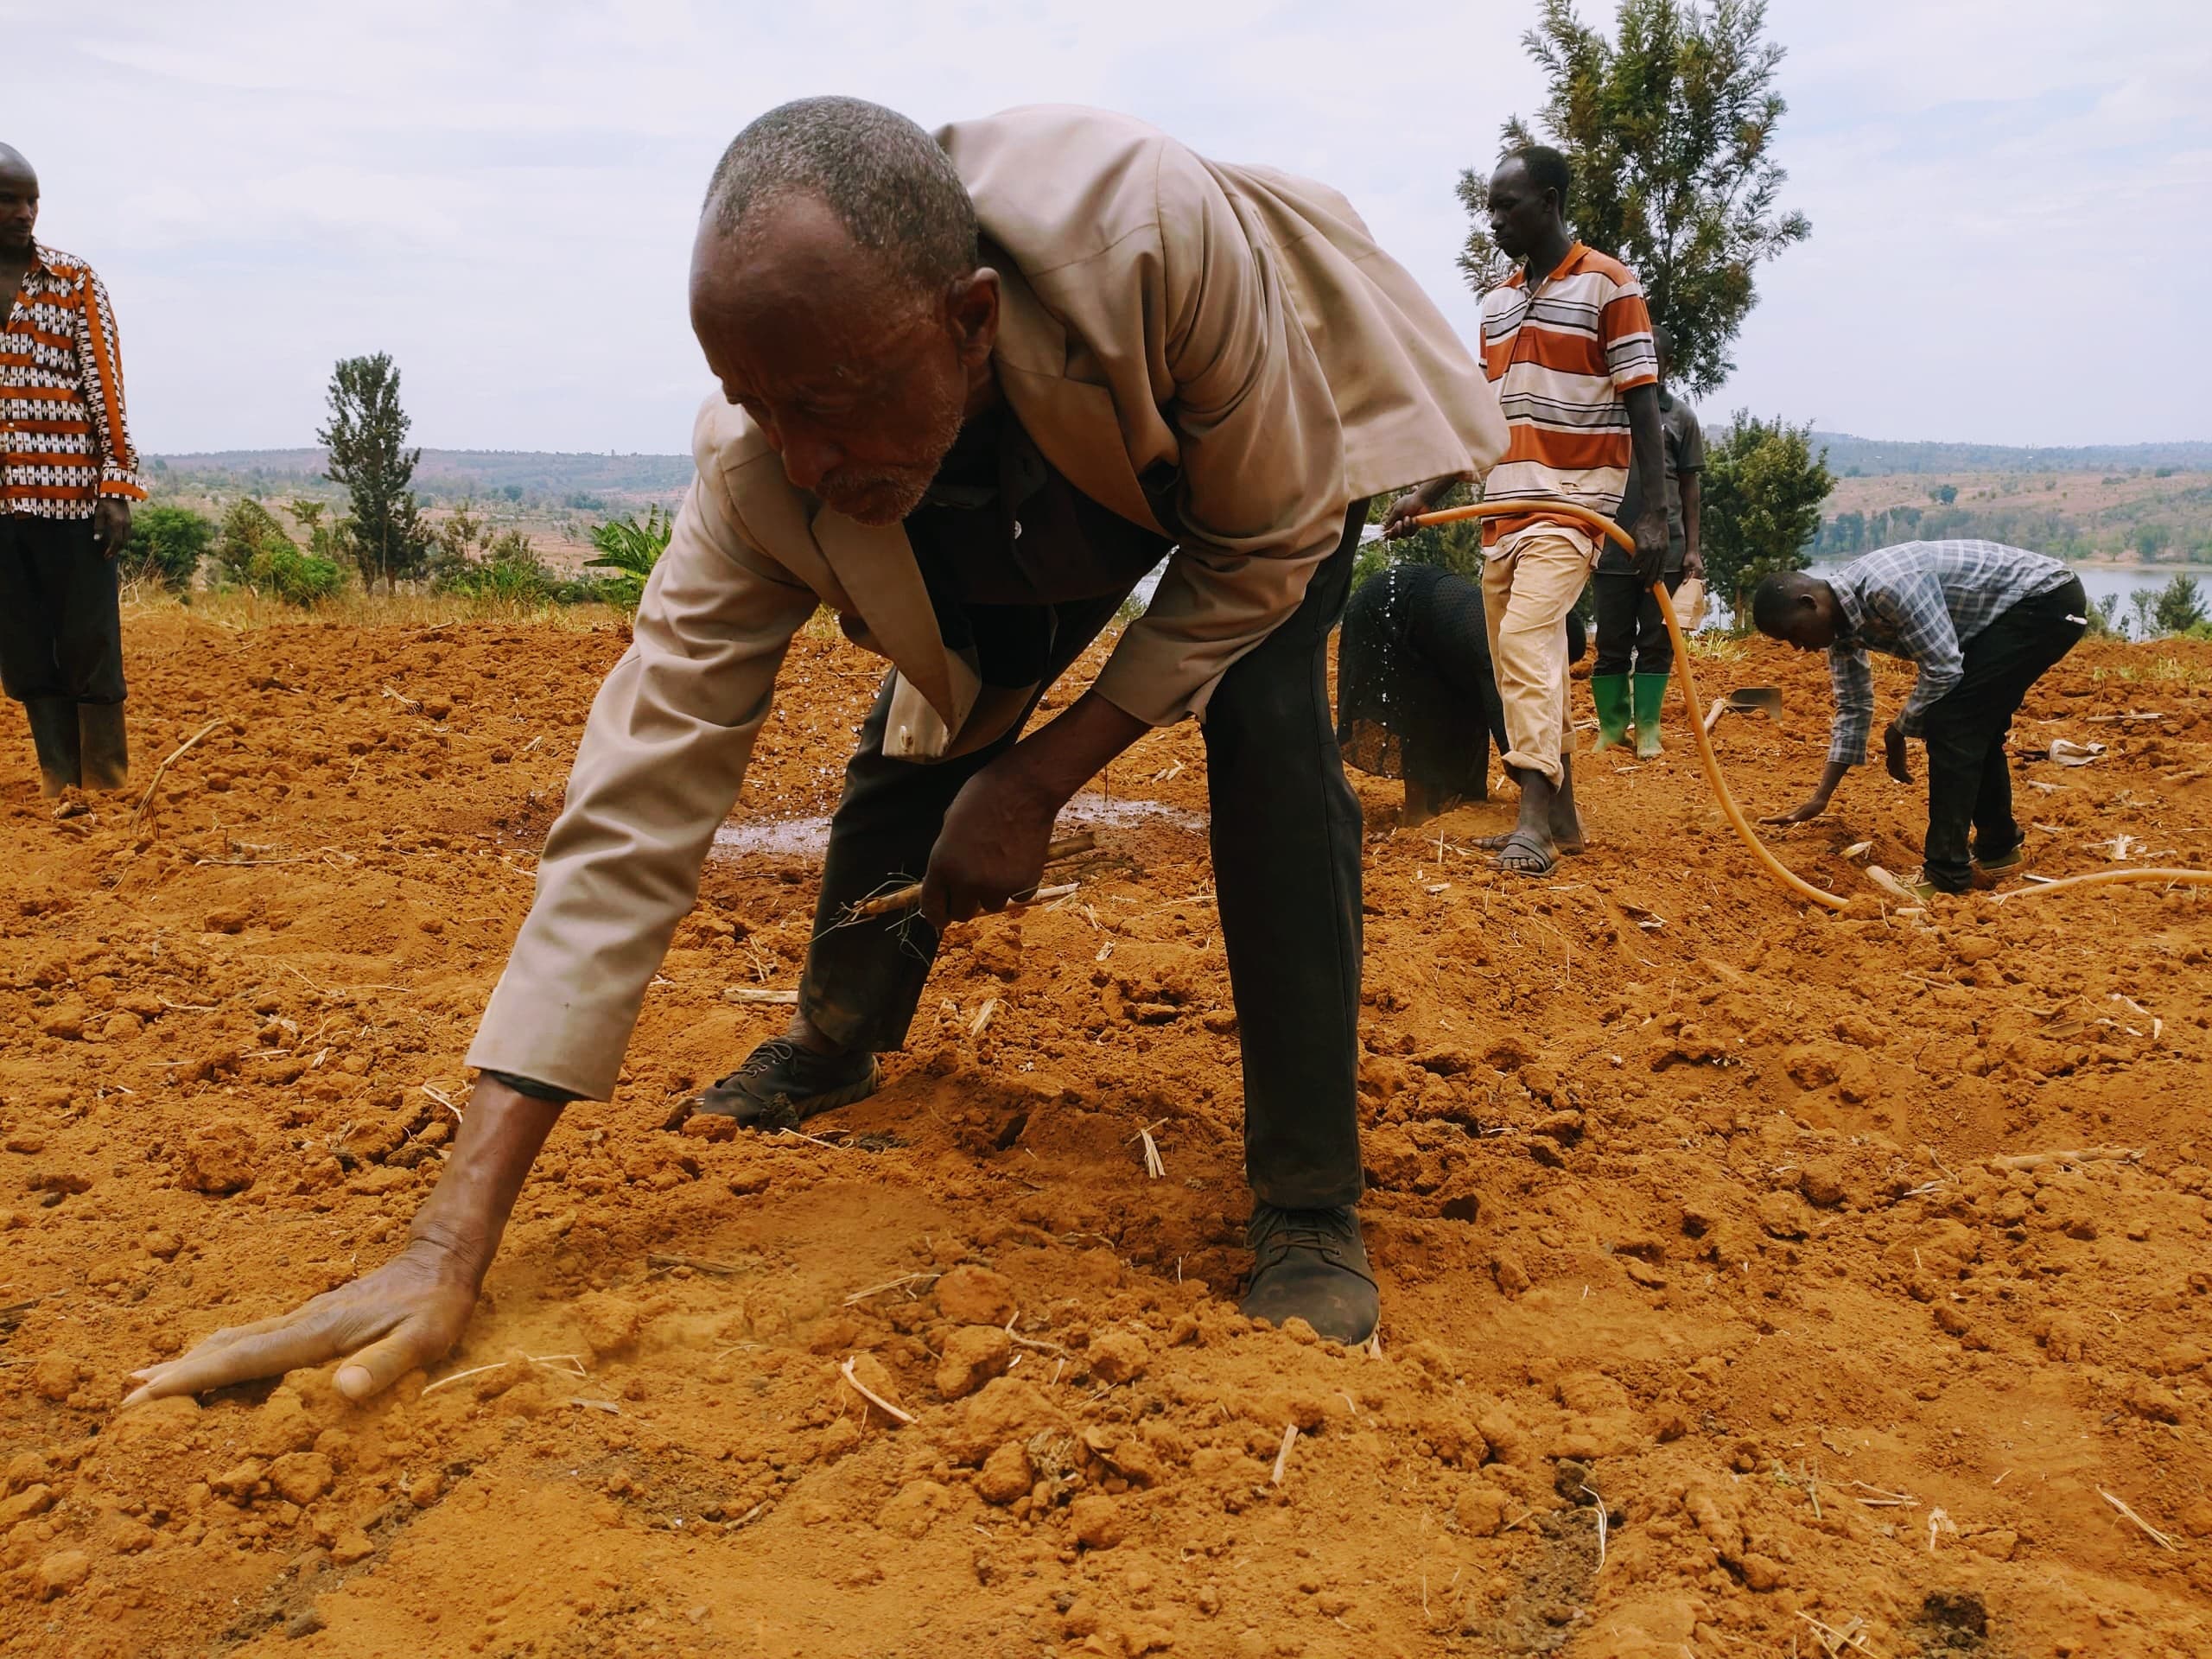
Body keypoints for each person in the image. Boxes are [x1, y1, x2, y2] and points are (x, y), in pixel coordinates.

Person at [124, 99, 1506, 1408]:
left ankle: (1311, 1201)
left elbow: (1258, 545)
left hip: (1242, 447)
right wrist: (448, 1241)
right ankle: (838, 1037)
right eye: (759, 403)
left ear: (969, 322)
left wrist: (1040, 779)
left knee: (1266, 729)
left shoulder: (1147, 241)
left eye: (832, 402)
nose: (799, 454)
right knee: (931, 723)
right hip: (1028, 499)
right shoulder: (760, 473)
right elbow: (634, 808)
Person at [1383, 145, 1668, 874]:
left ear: (1549, 200)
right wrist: (1428, 494)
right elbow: (1486, 418)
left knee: (1527, 638)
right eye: (1490, 209)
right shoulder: (1497, 304)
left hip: (1575, 504)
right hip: (1503, 507)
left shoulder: (1610, 285)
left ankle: (1533, 821)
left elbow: (1643, 406)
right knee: (1521, 659)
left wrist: (1655, 515)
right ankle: (1564, 819)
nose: (1496, 221)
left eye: (1508, 207)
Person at [1751, 541, 2088, 898]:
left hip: (2046, 601)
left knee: (1953, 722)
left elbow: (1943, 668)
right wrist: (1822, 797)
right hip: (2012, 615)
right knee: (1969, 723)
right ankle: (1999, 850)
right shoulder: (1841, 631)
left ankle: (1946, 875)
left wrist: (1900, 731)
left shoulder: (1888, 586)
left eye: (1793, 634)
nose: (1798, 648)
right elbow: (1853, 707)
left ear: (1810, 604)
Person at [0, 143, 144, 796]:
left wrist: (115, 487)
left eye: (31, 200)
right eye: (9, 200)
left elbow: (104, 388)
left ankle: (108, 787)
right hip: (4, 509)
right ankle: (62, 786)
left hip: (71, 499)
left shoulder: (73, 279)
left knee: (89, 641)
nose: (24, 212)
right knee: (25, 647)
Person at [1335, 558, 1586, 825]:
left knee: (1460, 709)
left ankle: (1450, 800)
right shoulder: (1498, 647)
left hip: (1432, 625)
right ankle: (1417, 812)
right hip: (1388, 607)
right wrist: (1557, 809)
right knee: (1419, 706)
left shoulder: (1507, 631)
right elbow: (1517, 745)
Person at [1589, 324, 1703, 758]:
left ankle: (1648, 728)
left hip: (1668, 550)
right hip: (1612, 547)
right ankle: (1612, 727)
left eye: (1652, 359)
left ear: (1668, 365)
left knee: (1656, 640)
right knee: (1611, 641)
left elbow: (1690, 487)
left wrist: (1692, 548)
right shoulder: (1608, 412)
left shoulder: (1681, 418)